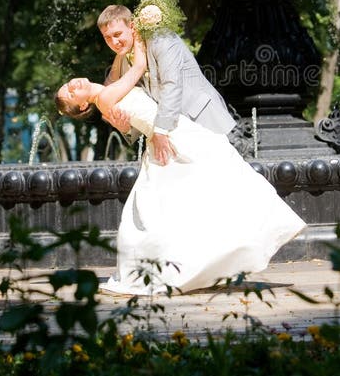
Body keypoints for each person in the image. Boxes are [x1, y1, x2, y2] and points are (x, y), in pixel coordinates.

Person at [56, 36, 305, 295]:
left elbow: (122, 67)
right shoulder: (106, 95)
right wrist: (139, 34)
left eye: (68, 85)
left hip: (173, 131)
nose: (72, 84)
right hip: (170, 137)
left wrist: (124, 38)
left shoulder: (109, 84)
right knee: (219, 181)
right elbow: (139, 67)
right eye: (71, 93)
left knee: (196, 195)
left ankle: (211, 257)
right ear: (83, 106)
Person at [97, 3, 235, 166]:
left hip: (202, 120)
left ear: (132, 26)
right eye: (107, 37)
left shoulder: (161, 38)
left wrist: (161, 131)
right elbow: (144, 105)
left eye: (118, 34)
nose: (114, 42)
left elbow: (172, 84)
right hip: (176, 135)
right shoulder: (126, 64)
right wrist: (127, 127)